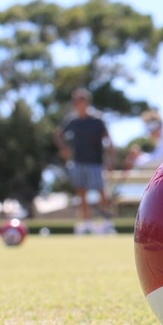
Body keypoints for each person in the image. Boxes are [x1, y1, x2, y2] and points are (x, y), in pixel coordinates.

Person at [53, 88, 116, 235]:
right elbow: (57, 135)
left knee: (101, 192)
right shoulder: (72, 121)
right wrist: (64, 149)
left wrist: (111, 159)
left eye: (80, 99)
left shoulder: (97, 120)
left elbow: (109, 141)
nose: (77, 103)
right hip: (78, 162)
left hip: (96, 162)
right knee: (81, 193)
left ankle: (108, 223)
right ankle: (87, 224)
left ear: (87, 101)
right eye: (75, 100)